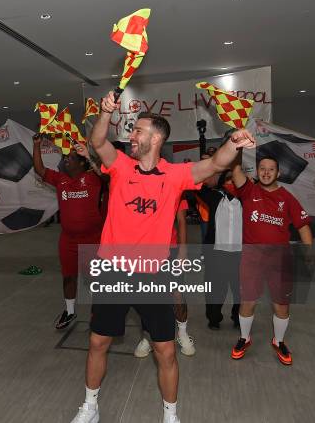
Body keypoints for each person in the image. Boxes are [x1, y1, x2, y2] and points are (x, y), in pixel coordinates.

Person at [70, 91, 256, 423]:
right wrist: (104, 114)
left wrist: (234, 142)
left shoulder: (174, 176)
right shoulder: (120, 166)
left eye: (137, 131)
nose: (131, 135)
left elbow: (215, 164)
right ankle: (90, 406)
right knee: (98, 342)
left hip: (152, 275)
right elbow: (98, 143)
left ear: (156, 138)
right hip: (113, 271)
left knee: (166, 350)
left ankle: (171, 415)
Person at [230, 157, 312, 365]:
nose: (266, 172)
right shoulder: (249, 191)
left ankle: (279, 341)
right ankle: (244, 338)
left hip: (280, 259)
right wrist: (236, 144)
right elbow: (236, 170)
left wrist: (309, 254)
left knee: (281, 306)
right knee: (248, 301)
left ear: (278, 173)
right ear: (257, 171)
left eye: (271, 169)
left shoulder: (287, 197)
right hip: (252, 258)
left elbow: (303, 226)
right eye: (262, 169)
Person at [33, 135, 104, 329]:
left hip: (92, 239)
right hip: (68, 240)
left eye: (71, 157)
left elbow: (106, 173)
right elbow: (39, 170)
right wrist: (36, 144)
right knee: (68, 276)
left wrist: (88, 155)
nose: (66, 159)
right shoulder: (60, 180)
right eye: (66, 157)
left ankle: (96, 313)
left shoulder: (93, 178)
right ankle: (70, 311)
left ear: (82, 163)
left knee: (93, 278)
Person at [134, 196, 195, 358]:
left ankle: (182, 333)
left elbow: (181, 221)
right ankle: (147, 338)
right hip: (145, 251)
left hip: (171, 250)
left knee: (177, 294)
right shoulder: (141, 186)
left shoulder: (174, 186)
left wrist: (182, 252)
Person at [198, 170, 241, 330]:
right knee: (215, 289)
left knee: (240, 290)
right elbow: (198, 187)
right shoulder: (214, 198)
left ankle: (238, 318)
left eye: (235, 180)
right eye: (229, 180)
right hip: (216, 254)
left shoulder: (248, 200)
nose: (233, 183)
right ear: (223, 183)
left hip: (240, 255)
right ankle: (214, 318)